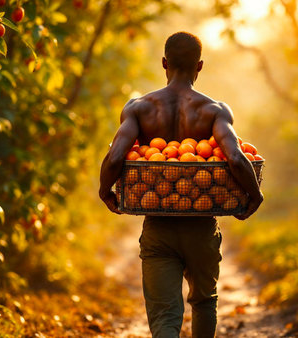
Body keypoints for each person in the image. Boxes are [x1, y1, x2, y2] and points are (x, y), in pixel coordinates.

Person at [99, 31, 263, 338]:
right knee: (204, 301)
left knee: (164, 314)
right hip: (201, 225)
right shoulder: (214, 110)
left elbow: (115, 157)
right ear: (199, 66)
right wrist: (255, 196)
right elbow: (238, 160)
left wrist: (105, 191)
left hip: (158, 226)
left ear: (164, 63)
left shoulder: (138, 108)